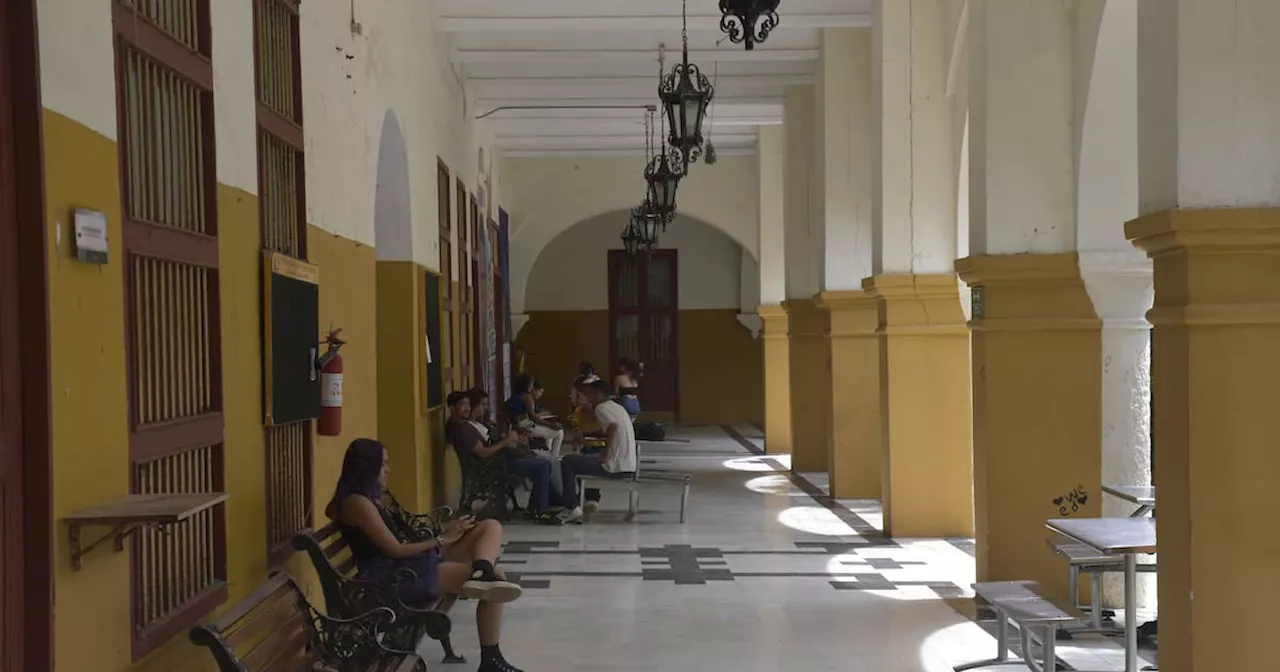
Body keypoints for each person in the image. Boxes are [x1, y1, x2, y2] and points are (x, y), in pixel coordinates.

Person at [326, 438, 525, 672]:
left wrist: (446, 534)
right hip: (393, 578)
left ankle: (483, 571)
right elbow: (395, 550)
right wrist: (442, 540)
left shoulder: (368, 498)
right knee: (498, 580)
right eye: (383, 465)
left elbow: (399, 542)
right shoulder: (357, 503)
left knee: (490, 526)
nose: (388, 470)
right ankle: (491, 659)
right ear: (365, 467)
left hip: (409, 565)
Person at [464, 388, 559, 521]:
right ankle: (539, 508)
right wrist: (507, 441)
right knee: (542, 465)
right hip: (497, 463)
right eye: (483, 405)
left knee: (546, 462)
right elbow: (483, 452)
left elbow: (497, 438)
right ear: (474, 406)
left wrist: (515, 439)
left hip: (505, 456)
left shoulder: (481, 423)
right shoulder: (468, 428)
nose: (486, 409)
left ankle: (545, 503)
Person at [559, 379, 639, 523]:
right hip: (628, 464)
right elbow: (607, 431)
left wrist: (606, 454)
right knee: (580, 460)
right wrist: (584, 433)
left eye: (589, 395)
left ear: (599, 394)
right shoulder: (616, 407)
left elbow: (613, 429)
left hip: (614, 466)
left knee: (567, 462)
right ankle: (582, 501)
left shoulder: (600, 408)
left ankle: (572, 508)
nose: (588, 399)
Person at [506, 374, 565, 458]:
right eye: (531, 384)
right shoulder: (527, 397)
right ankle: (554, 457)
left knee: (550, 432)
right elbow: (533, 418)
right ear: (527, 385)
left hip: (516, 427)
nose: (532, 386)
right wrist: (552, 425)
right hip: (527, 427)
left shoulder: (512, 398)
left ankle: (548, 453)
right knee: (559, 432)